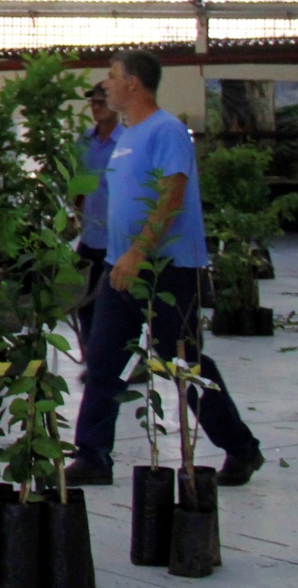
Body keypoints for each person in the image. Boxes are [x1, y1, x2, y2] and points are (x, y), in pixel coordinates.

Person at [66, 51, 263, 487]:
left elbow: (171, 197)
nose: (105, 85)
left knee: (183, 363)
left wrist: (139, 252)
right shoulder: (125, 137)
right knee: (103, 360)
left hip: (165, 269)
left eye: (112, 76)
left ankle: (241, 448)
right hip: (120, 267)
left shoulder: (167, 131)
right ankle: (93, 455)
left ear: (133, 82)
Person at [72, 83, 119, 340]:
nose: (97, 107)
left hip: (116, 241)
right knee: (83, 303)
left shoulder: (126, 142)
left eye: (102, 102)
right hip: (90, 238)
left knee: (113, 307)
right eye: (93, 103)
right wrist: (75, 214)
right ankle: (91, 355)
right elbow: (79, 187)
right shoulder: (85, 142)